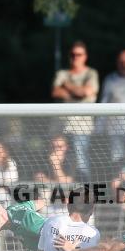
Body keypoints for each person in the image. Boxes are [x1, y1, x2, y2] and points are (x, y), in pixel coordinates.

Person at [51, 41, 98, 181]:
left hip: (82, 128)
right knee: (59, 160)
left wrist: (66, 85)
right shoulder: (61, 73)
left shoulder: (91, 73)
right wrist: (78, 92)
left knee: (81, 160)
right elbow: (55, 92)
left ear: (85, 56)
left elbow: (86, 91)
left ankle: (85, 195)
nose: (75, 57)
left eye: (79, 54)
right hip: (61, 128)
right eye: (72, 54)